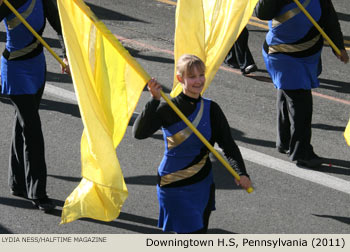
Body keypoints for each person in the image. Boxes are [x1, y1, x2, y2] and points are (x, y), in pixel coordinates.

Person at [132, 54, 251, 234]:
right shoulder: (169, 109)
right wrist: (154, 100)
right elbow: (139, 133)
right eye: (192, 76)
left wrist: (241, 171)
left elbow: (228, 144)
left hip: (203, 184)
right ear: (180, 79)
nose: (198, 81)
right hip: (173, 183)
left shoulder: (212, 109)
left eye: (201, 75)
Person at [255, 0, 349, 168]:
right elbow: (262, 13)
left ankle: (284, 142)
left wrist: (338, 46)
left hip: (306, 55)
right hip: (283, 55)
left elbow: (329, 16)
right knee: (301, 106)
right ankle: (302, 153)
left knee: (287, 96)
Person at [0, 0, 70, 212]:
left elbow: (61, 25)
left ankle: (17, 183)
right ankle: (38, 192)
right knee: (32, 130)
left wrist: (66, 54)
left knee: (22, 124)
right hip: (15, 70)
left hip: (37, 67)